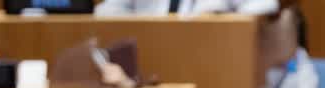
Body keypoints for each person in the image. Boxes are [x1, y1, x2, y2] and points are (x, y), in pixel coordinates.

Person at [95, 0, 278, 16]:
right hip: (149, 67)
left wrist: (223, 17)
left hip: (210, 62)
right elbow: (104, 12)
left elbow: (267, 4)